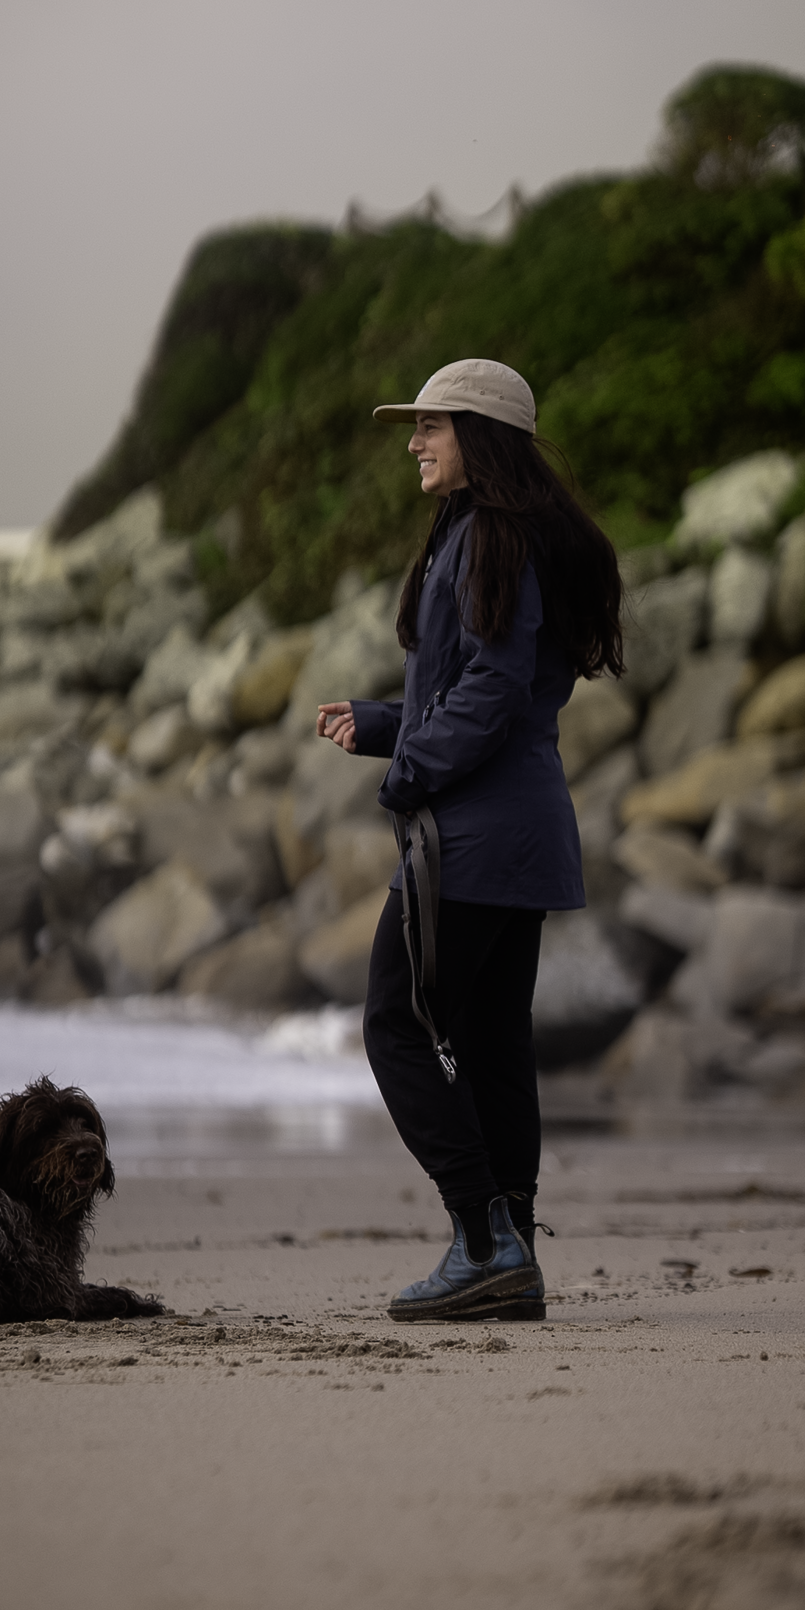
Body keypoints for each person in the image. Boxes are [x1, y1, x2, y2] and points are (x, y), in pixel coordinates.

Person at [317, 358, 623, 1322]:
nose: (414, 441)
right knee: (491, 1044)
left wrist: (406, 775)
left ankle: (484, 1238)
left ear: (479, 438)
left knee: (396, 1025)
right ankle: (512, 1249)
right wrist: (378, 725)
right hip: (519, 831)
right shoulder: (497, 530)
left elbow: (489, 692)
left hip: (479, 839)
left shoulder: (492, 533)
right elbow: (496, 685)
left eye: (431, 426)